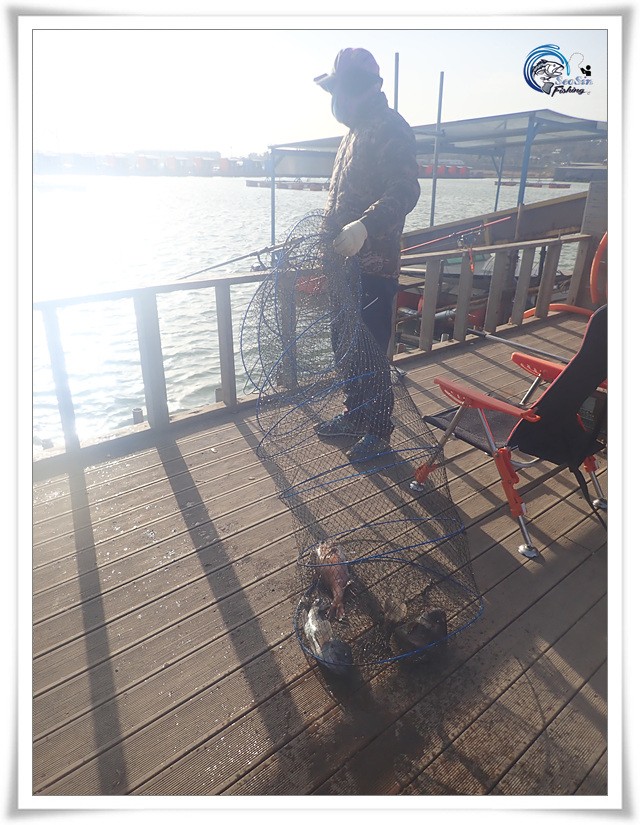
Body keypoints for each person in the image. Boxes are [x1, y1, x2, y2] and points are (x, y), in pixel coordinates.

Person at [313, 47, 421, 462]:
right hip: (342, 267)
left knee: (371, 350)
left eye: (338, 91)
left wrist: (364, 227)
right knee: (345, 346)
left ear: (358, 89)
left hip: (374, 267)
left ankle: (378, 430)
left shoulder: (391, 127)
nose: (335, 100)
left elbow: (405, 190)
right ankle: (355, 414)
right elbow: (340, 198)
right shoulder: (352, 133)